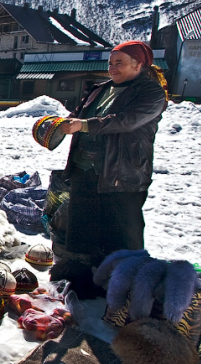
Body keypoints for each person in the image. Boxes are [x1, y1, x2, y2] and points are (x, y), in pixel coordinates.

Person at [57, 40, 167, 280]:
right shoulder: (100, 88)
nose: (112, 68)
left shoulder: (150, 92)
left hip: (121, 172)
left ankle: (123, 281)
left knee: (121, 228)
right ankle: (81, 274)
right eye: (110, 62)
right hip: (85, 167)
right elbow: (79, 113)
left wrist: (84, 125)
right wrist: (61, 124)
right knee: (82, 225)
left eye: (120, 63)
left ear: (138, 64)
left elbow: (125, 121)